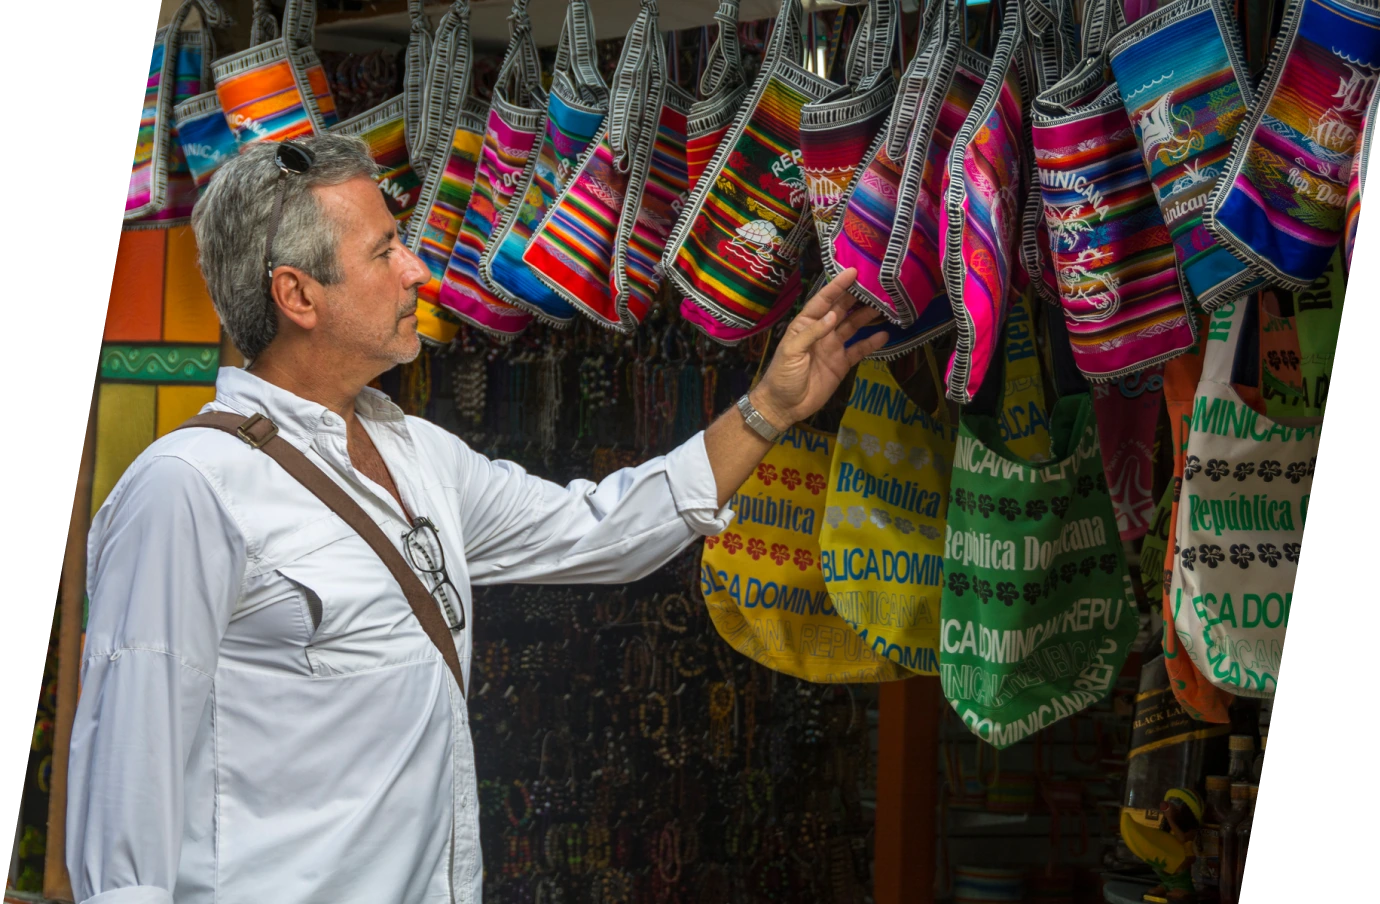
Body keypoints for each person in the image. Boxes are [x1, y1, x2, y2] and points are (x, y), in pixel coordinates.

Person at [67, 133, 889, 904]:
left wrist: (770, 409)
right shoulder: (187, 489)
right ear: (298, 295)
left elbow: (598, 530)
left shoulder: (417, 453)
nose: (418, 271)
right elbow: (124, 803)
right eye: (385, 251)